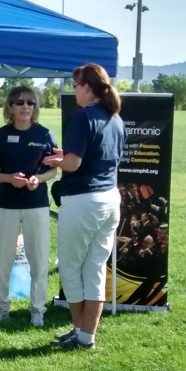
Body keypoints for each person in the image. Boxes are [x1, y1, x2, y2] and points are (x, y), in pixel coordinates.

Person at [42, 63, 124, 351]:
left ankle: (80, 331)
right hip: (110, 198)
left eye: (75, 85)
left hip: (83, 201)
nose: (73, 89)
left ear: (87, 87)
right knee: (95, 268)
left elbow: (74, 164)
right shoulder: (115, 119)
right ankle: (86, 336)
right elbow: (97, 157)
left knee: (71, 267)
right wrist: (65, 156)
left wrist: (57, 161)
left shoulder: (82, 117)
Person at [0, 86, 58, 327]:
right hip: (6, 205)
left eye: (31, 103)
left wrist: (39, 179)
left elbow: (54, 169)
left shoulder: (44, 134)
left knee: (38, 258)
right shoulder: (0, 135)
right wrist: (9, 178)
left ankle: (37, 310)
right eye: (20, 102)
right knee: (3, 258)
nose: (26, 107)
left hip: (36, 204)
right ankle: (1, 308)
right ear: (10, 108)